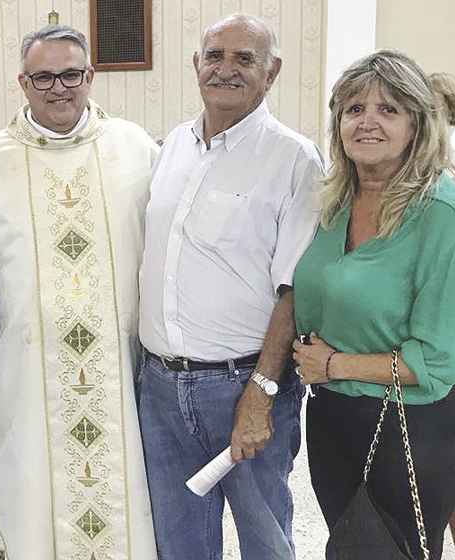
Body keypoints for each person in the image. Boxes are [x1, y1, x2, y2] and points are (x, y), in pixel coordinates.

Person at [0, 24, 160, 560]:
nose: (58, 88)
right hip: (23, 367)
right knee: (27, 492)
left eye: (70, 75)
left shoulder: (135, 149)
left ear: (90, 76)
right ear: (23, 83)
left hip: (120, 363)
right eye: (43, 77)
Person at [137, 13, 323, 559]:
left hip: (242, 385)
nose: (226, 69)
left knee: (265, 540)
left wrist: (261, 393)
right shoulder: (172, 146)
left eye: (244, 58)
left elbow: (293, 290)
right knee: (179, 545)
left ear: (272, 71)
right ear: (196, 64)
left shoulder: (293, 159)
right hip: (161, 389)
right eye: (215, 56)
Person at [291, 50, 455, 559]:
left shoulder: (440, 213)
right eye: (354, 109)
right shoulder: (335, 199)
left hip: (405, 427)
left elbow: (441, 361)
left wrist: (333, 364)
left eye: (388, 110)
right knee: (347, 545)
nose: (367, 121)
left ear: (417, 123)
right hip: (332, 415)